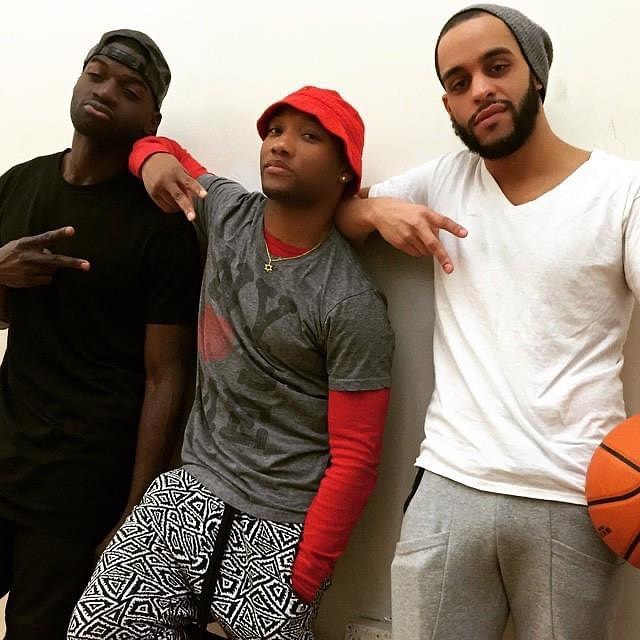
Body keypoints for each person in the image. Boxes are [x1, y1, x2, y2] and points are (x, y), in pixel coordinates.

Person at [334, 4, 640, 639]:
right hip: (450, 482)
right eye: (458, 81)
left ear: (536, 73)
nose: (479, 89)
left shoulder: (621, 190)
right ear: (448, 104)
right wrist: (374, 213)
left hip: (575, 496)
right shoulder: (443, 180)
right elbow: (338, 214)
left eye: (497, 66)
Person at [67, 86, 395, 640]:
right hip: (191, 490)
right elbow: (155, 146)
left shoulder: (350, 300)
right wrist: (153, 160)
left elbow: (356, 458)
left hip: (281, 525)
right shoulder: (228, 211)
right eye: (275, 131)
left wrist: (306, 576)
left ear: (346, 171)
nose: (281, 145)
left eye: (308, 136)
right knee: (94, 629)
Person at [0, 30, 201, 640]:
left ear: (151, 121)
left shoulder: (162, 227)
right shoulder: (19, 183)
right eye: (97, 74)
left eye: (130, 89)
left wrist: (139, 514)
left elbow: (167, 376)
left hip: (78, 483)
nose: (106, 91)